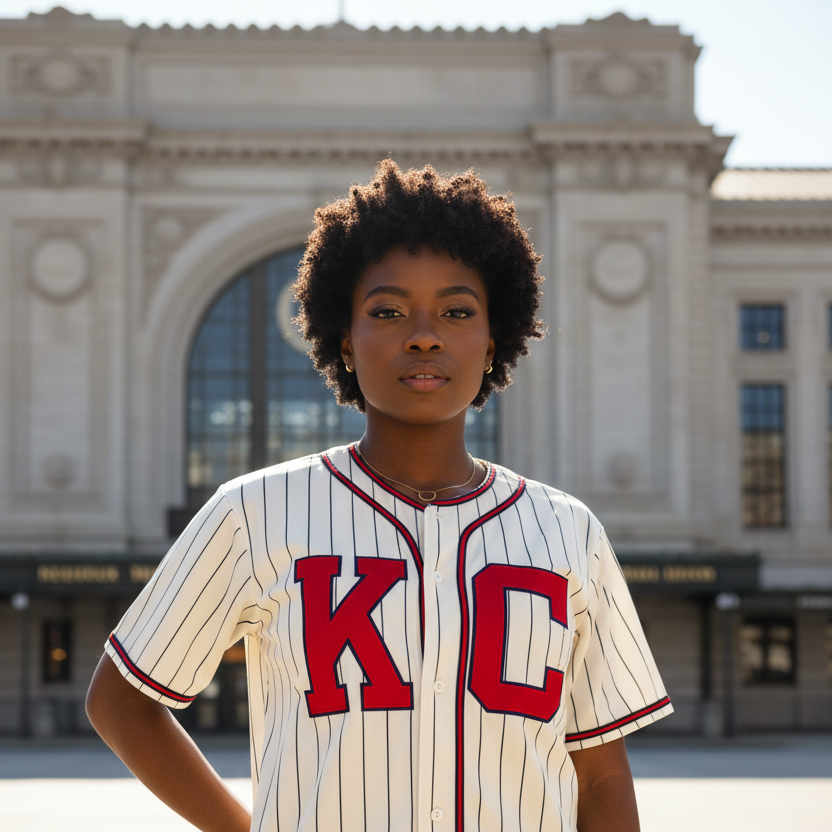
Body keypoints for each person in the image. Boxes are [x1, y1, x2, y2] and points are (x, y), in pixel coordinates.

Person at [86, 160, 672, 832]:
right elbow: (120, 701)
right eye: (388, 311)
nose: (423, 334)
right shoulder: (254, 513)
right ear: (344, 338)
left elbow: (601, 774)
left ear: (492, 341)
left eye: (457, 311)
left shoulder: (568, 531)